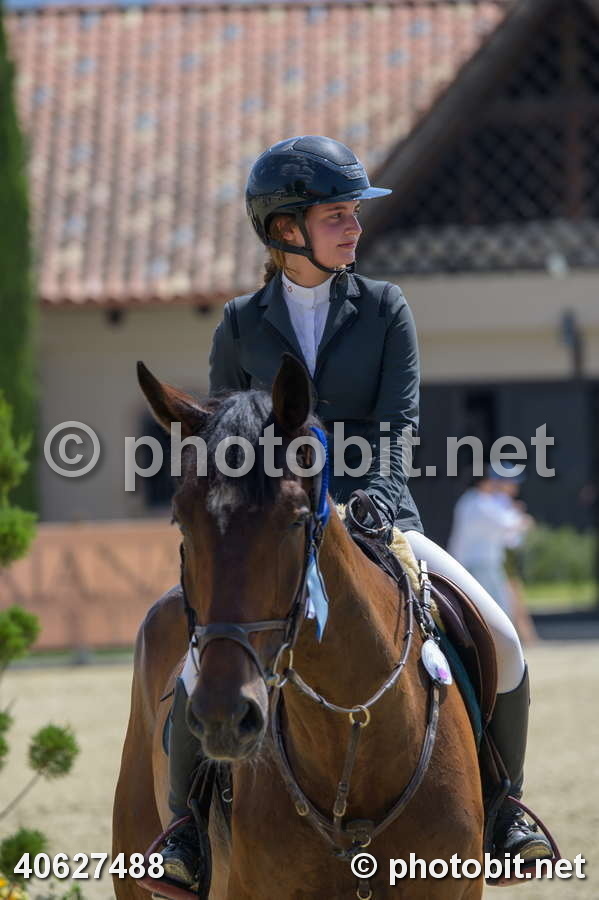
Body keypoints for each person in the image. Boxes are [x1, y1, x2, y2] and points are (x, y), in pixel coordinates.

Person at [161, 136, 552, 885]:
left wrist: (370, 493)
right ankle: (186, 829)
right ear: (287, 229)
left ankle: (504, 809)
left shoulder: (383, 308)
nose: (354, 227)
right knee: (192, 666)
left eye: (353, 214)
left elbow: (398, 421)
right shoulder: (240, 323)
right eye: (336, 215)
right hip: (274, 530)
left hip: (378, 517)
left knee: (500, 636)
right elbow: (226, 436)